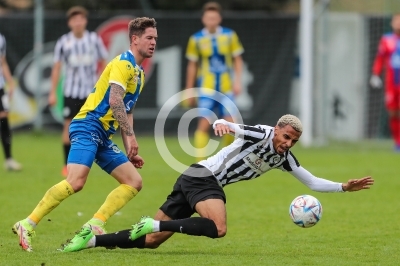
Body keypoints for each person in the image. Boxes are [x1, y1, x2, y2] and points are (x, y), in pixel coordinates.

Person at [60, 114, 374, 252]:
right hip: (204, 177)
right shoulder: (262, 134)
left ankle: (89, 242)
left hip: (193, 179)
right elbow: (232, 126)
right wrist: (222, 125)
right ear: (277, 130)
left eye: (294, 140)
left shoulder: (284, 158)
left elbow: (312, 181)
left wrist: (343, 187)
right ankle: (152, 225)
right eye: (286, 136)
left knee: (151, 242)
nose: (288, 143)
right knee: (218, 228)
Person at [12, 17, 158, 252]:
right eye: (149, 38)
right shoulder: (123, 63)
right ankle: (26, 224)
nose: (153, 43)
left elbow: (126, 110)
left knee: (133, 182)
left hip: (102, 135)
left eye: (155, 39)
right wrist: (129, 136)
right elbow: (115, 100)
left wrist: (131, 142)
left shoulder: (138, 74)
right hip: (88, 125)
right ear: (134, 39)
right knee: (76, 181)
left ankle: (93, 225)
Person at [48, 6, 108, 177]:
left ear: (85, 21)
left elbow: (105, 62)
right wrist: (52, 92)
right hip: (71, 92)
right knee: (68, 126)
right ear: (69, 23)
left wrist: (104, 86)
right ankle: (67, 164)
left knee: (94, 127)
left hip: (91, 93)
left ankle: (91, 163)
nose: (78, 22)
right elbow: (57, 68)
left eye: (80, 19)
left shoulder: (94, 40)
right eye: (74, 19)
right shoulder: (63, 42)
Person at [185, 2, 244, 161]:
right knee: (204, 123)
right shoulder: (196, 39)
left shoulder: (229, 35)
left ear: (219, 19)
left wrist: (238, 81)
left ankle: (225, 158)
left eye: (214, 17)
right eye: (208, 17)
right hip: (207, 88)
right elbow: (192, 65)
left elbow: (237, 59)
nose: (211, 20)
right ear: (203, 19)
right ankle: (200, 163)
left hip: (226, 88)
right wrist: (190, 89)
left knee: (231, 125)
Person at [370, 13, 400, 151]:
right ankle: (398, 143)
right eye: (396, 20)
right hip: (392, 84)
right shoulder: (387, 40)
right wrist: (375, 74)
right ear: (392, 23)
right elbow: (380, 58)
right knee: (393, 112)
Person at [0, 33, 22, 171]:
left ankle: (8, 159)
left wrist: (10, 82)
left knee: (4, 120)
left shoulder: (1, 39)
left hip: (0, 87)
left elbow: (2, 61)